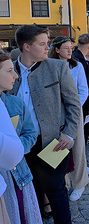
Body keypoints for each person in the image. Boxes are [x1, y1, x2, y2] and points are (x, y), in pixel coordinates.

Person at [10, 25, 81, 224]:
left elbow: (74, 104)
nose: (46, 48)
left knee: (57, 191)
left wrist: (69, 134)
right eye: (42, 44)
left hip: (53, 142)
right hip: (21, 145)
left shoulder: (58, 67)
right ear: (26, 47)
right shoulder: (8, 70)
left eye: (47, 43)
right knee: (31, 191)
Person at [0, 51, 42, 224]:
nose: (16, 76)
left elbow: (30, 133)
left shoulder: (15, 103)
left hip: (17, 173)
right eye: (9, 70)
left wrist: (17, 147)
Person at [50, 36, 89, 202]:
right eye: (66, 48)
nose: (69, 51)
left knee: (77, 148)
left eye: (71, 48)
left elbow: (83, 90)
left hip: (74, 113)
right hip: (54, 113)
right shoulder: (49, 65)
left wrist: (72, 108)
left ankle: (80, 183)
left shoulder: (77, 66)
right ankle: (64, 182)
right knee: (59, 147)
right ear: (57, 49)